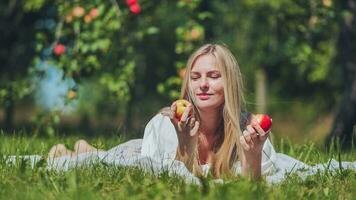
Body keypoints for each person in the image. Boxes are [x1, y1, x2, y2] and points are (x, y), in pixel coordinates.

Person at [47, 44, 277, 180]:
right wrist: (185, 143)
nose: (203, 85)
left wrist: (253, 156)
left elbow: (249, 187)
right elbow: (173, 181)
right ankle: (82, 148)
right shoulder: (164, 126)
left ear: (230, 83)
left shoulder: (250, 131)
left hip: (141, 148)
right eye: (195, 77)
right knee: (98, 160)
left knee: (93, 154)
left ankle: (85, 147)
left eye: (214, 76)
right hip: (136, 152)